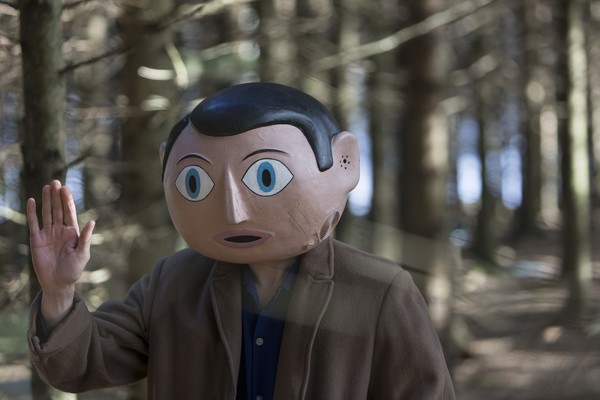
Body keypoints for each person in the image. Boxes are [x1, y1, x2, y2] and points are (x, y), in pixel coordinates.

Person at [27, 82, 455, 399]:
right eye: (195, 182)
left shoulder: (379, 291)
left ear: (345, 162)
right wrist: (59, 293)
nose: (233, 212)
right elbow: (80, 366)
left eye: (266, 177)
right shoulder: (171, 285)